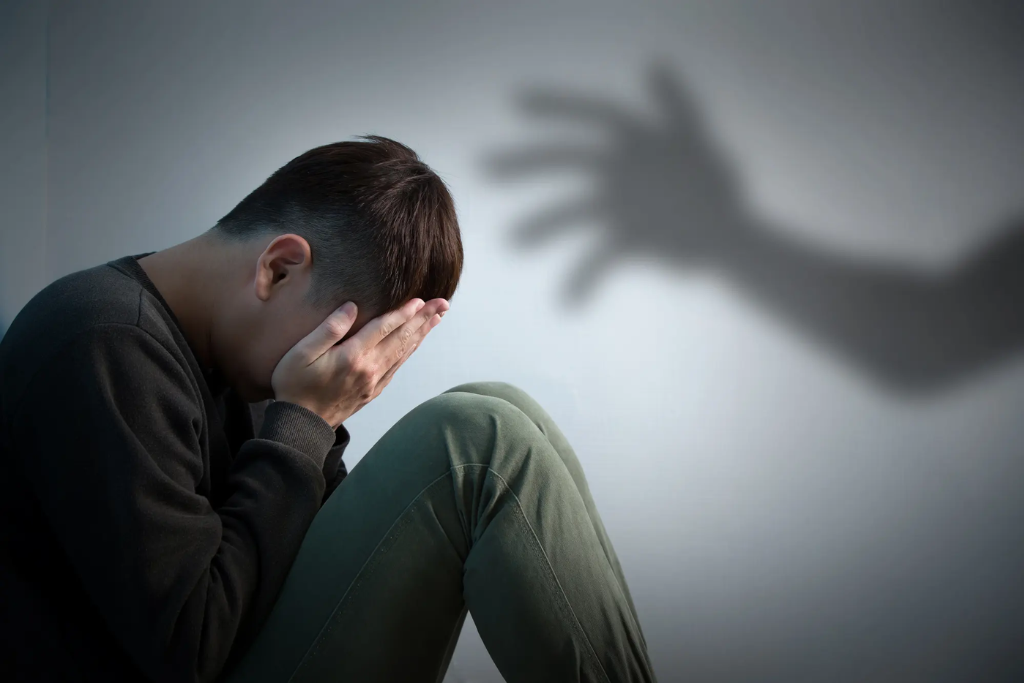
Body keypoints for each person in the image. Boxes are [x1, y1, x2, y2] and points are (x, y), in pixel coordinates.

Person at [0, 135, 657, 683]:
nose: (348, 369)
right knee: (480, 440)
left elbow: (299, 559)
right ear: (278, 269)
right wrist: (304, 422)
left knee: (500, 406)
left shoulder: (241, 366)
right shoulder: (100, 341)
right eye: (347, 343)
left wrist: (314, 426)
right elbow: (190, 648)